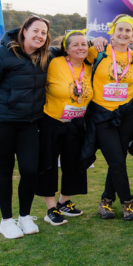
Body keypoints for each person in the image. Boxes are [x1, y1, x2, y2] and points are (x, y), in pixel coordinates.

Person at [0, 15, 52, 239]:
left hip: (29, 122)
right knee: (5, 169)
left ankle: (24, 216)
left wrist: (94, 42)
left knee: (30, 170)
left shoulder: (45, 55)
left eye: (44, 33)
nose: (39, 36)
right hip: (0, 122)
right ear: (24, 31)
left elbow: (69, 48)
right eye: (36, 31)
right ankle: (6, 221)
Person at [82, 14, 133, 221]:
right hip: (102, 115)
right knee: (116, 161)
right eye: (120, 30)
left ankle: (106, 200)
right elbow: (72, 49)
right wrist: (91, 40)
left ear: (132, 36)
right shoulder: (98, 51)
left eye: (128, 31)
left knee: (119, 160)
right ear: (112, 33)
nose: (123, 34)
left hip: (126, 115)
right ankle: (127, 203)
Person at [36, 30, 93, 226]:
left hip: (76, 123)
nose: (80, 48)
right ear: (66, 49)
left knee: (74, 164)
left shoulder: (89, 67)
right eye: (75, 45)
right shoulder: (54, 63)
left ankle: (64, 202)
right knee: (48, 164)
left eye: (83, 44)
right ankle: (50, 209)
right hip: (52, 121)